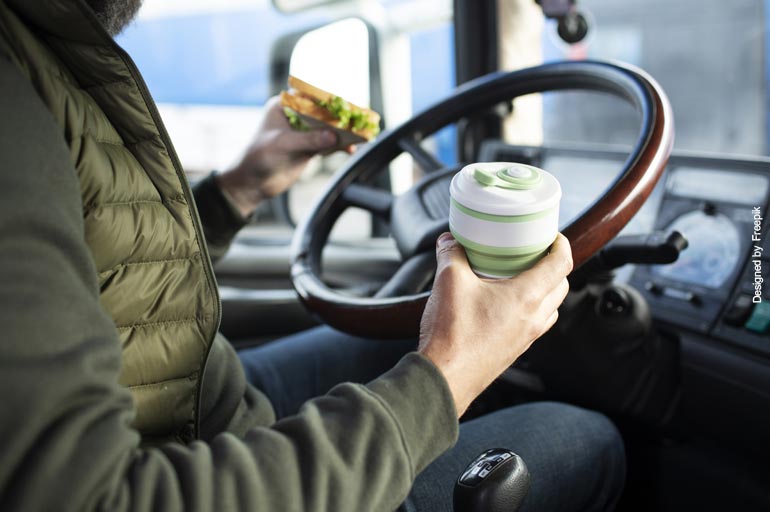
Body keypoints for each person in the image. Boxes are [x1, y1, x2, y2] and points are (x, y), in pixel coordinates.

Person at [0, 0, 625, 510]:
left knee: (397, 339)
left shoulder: (41, 48)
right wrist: (448, 376)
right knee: (589, 439)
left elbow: (102, 273)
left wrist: (236, 190)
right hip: (180, 463)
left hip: (197, 401)